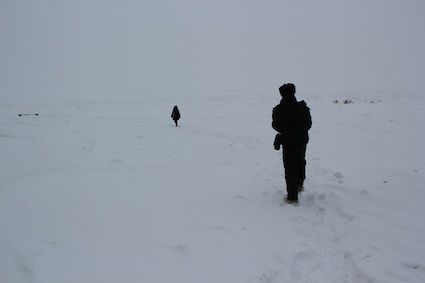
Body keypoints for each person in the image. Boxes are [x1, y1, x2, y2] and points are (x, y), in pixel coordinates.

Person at [272, 83, 312, 205]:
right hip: (301, 139)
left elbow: (275, 125)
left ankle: (292, 197)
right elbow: (308, 124)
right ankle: (299, 184)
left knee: (290, 167)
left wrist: (287, 130)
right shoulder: (302, 107)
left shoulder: (278, 109)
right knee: (300, 161)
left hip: (288, 141)